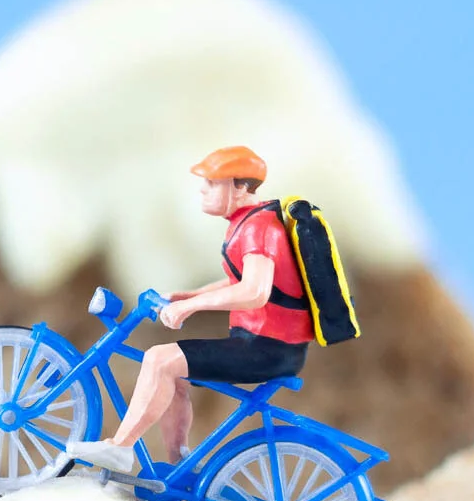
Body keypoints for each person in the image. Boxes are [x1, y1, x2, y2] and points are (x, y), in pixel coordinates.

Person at [62, 145, 313, 475]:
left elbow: (254, 291)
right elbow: (235, 281)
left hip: (269, 350)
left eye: (212, 183)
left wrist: (192, 307)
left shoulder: (259, 228)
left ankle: (120, 449)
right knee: (172, 372)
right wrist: (187, 296)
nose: (202, 189)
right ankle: (180, 462)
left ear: (239, 187)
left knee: (158, 359)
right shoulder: (248, 222)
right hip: (261, 344)